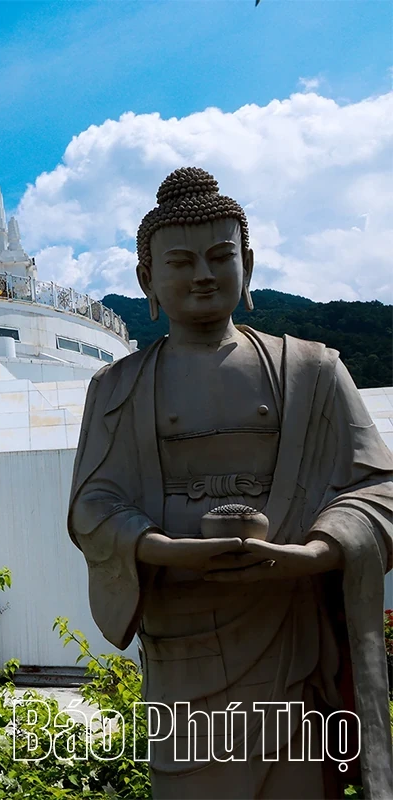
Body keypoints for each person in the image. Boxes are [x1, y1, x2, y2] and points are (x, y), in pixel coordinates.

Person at [68, 168, 393, 799]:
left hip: (288, 620)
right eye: (180, 262)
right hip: (180, 626)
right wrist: (160, 548)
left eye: (221, 257)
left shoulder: (313, 370)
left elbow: (377, 490)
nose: (203, 275)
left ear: (248, 264)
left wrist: (316, 552)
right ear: (146, 279)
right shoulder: (116, 387)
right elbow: (93, 505)